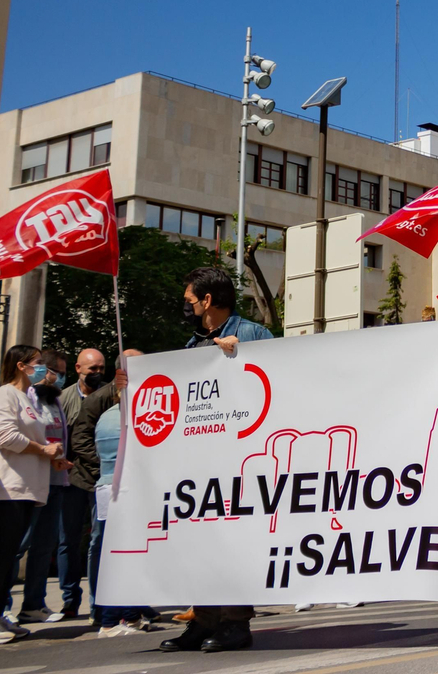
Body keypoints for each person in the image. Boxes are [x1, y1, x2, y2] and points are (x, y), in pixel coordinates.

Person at [160, 268, 273, 654]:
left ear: (207, 301)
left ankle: (235, 623)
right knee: (200, 542)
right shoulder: (193, 346)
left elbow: (282, 380)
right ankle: (204, 620)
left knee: (233, 542)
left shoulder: (253, 335)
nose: (187, 308)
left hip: (241, 461)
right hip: (200, 462)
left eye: (190, 301)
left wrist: (243, 357)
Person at [0, 345, 67, 646]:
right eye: (37, 364)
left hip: (25, 487)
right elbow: (4, 435)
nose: (42, 369)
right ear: (22, 366)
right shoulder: (5, 395)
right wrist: (43, 450)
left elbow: (29, 438)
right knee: (4, 552)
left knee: (9, 553)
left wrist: (52, 456)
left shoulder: (27, 399)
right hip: (5, 487)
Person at [74, 348, 151, 637]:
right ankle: (108, 619)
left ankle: (129, 616)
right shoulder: (120, 418)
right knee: (116, 553)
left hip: (108, 488)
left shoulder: (108, 416)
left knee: (118, 551)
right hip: (119, 487)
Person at [16, 350, 78, 624]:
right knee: (20, 544)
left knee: (43, 546)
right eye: (58, 372)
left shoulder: (56, 401)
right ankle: (0, 605)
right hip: (32, 483)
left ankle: (34, 604)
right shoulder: (27, 397)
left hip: (55, 482)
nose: (61, 378)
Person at [47, 347, 102, 623]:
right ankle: (70, 600)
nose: (97, 374)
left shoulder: (108, 396)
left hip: (98, 479)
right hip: (70, 480)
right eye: (92, 369)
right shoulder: (63, 398)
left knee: (97, 540)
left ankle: (98, 602)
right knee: (67, 540)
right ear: (78, 369)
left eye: (101, 369)